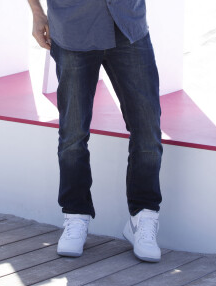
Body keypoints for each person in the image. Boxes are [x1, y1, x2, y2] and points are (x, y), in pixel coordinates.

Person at [28, 0, 163, 262]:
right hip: (72, 28)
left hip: (128, 24)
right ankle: (75, 216)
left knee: (147, 128)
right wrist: (37, 12)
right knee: (73, 134)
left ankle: (143, 219)